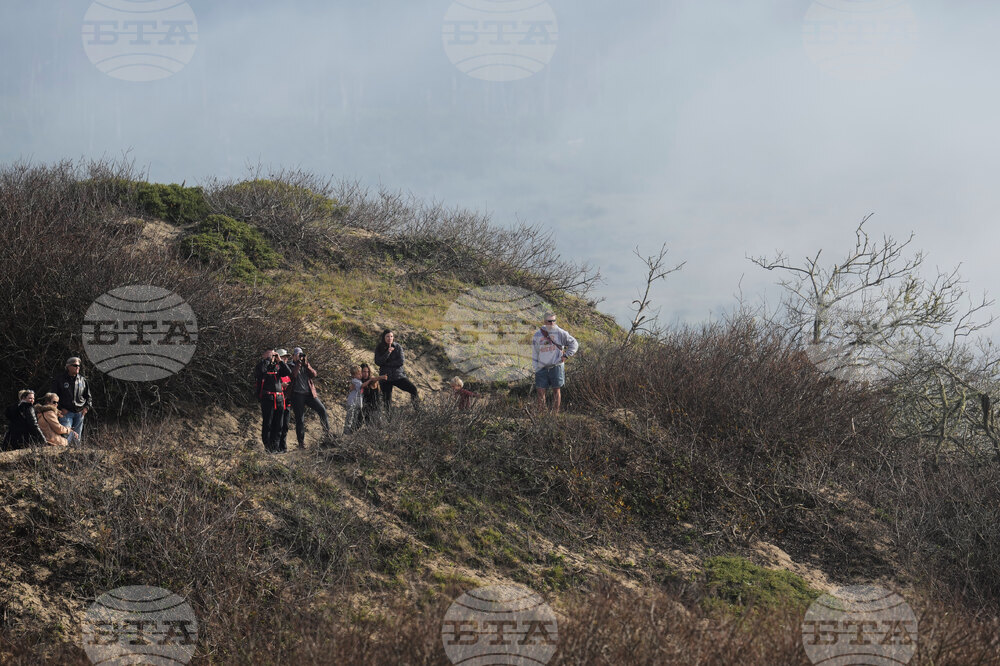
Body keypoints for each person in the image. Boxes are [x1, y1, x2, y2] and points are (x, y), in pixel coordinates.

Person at [532, 312, 579, 415]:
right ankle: (541, 414)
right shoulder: (538, 334)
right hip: (542, 367)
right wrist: (535, 366)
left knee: (556, 390)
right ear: (544, 321)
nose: (552, 323)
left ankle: (555, 415)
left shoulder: (561, 333)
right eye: (549, 321)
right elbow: (535, 351)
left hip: (556, 366)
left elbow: (574, 344)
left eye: (554, 321)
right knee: (540, 391)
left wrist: (566, 355)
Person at [288, 347, 331, 448]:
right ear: (293, 356)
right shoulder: (290, 365)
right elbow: (292, 376)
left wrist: (306, 364)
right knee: (300, 419)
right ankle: (301, 443)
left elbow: (314, 374)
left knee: (322, 410)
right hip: (297, 395)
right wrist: (298, 364)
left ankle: (327, 434)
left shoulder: (305, 365)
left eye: (301, 354)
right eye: (298, 355)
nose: (300, 357)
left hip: (309, 394)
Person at [254, 349, 292, 453]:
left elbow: (288, 372)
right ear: (264, 354)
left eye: (273, 353)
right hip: (268, 398)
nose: (273, 355)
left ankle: (275, 447)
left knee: (279, 424)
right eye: (270, 353)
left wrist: (279, 360)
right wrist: (267, 359)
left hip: (279, 398)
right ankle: (268, 447)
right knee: (268, 424)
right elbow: (260, 371)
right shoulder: (261, 365)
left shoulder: (278, 366)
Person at [374, 330, 419, 413]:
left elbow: (401, 361)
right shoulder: (379, 348)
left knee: (413, 389)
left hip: (398, 376)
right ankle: (389, 421)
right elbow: (378, 362)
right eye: (387, 336)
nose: (389, 338)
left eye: (391, 336)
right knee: (387, 402)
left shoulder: (398, 347)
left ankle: (418, 411)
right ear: (384, 337)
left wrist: (386, 364)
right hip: (385, 378)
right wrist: (388, 352)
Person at [51, 357, 92, 442]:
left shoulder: (82, 380)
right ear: (68, 366)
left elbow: (88, 397)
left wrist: (86, 408)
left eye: (79, 366)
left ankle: (77, 454)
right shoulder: (60, 379)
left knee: (77, 438)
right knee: (66, 437)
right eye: (75, 365)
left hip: (79, 413)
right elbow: (53, 396)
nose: (78, 367)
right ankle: (64, 453)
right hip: (66, 413)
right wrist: (60, 409)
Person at [276, 349, 293, 452]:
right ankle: (277, 447)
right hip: (279, 401)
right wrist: (281, 386)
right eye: (284, 357)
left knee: (285, 426)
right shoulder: (277, 369)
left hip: (287, 402)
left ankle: (283, 446)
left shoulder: (286, 371)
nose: (286, 359)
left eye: (286, 357)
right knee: (279, 425)